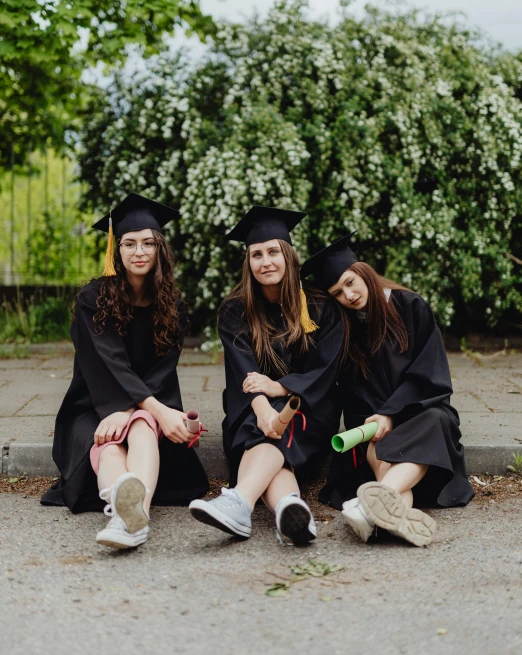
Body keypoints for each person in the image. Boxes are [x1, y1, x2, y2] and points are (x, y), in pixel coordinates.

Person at [41, 193, 208, 549]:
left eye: (148, 243)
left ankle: (129, 519)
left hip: (146, 403)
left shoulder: (173, 305)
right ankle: (130, 515)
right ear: (116, 251)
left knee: (142, 427)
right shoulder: (93, 299)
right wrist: (152, 411)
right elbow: (107, 362)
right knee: (109, 439)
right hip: (92, 404)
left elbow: (164, 369)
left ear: (159, 249)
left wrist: (134, 410)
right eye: (129, 243)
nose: (139, 252)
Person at [301, 234, 474, 547]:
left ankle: (370, 509)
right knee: (377, 439)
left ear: (363, 271)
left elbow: (430, 375)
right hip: (374, 427)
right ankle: (383, 516)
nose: (349, 295)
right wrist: (376, 420)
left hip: (421, 416)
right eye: (338, 293)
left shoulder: (411, 306)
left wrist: (390, 413)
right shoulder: (346, 327)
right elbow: (350, 394)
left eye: (351, 282)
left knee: (436, 419)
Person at [189, 206, 344, 544]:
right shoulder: (235, 309)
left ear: (288, 255)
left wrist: (279, 387)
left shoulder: (319, 306)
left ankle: (240, 501)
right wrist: (263, 409)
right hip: (252, 411)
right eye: (256, 254)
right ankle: (290, 508)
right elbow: (243, 372)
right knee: (261, 428)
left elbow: (324, 370)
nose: (265, 262)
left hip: (310, 413)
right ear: (248, 263)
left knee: (274, 429)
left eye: (273, 252)